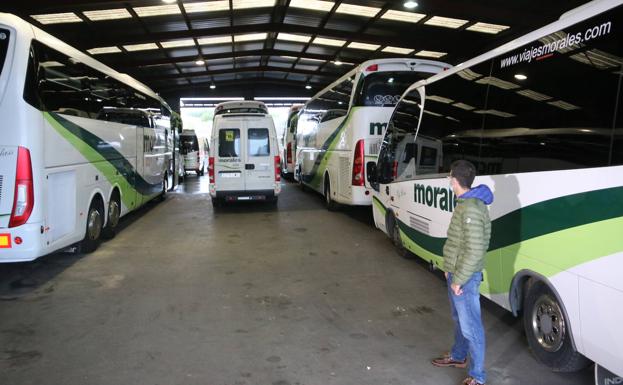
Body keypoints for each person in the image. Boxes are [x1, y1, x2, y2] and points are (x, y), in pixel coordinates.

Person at [431, 160, 493, 385]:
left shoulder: (471, 208)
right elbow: (459, 242)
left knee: (472, 327)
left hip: (464, 278)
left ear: (455, 180)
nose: (449, 180)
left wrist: (458, 279)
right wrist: (449, 269)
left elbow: (475, 249)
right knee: (460, 320)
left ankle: (478, 377)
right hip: (457, 274)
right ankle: (458, 356)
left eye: (449, 177)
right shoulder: (465, 203)